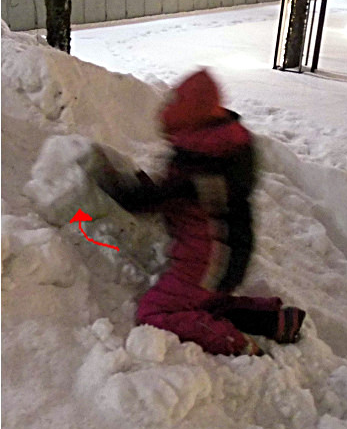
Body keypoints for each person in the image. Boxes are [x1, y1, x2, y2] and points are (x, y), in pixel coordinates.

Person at [90, 69, 305, 356]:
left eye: (175, 134)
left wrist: (105, 179)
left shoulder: (202, 168)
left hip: (210, 259)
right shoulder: (219, 150)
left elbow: (150, 199)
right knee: (201, 301)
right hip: (221, 254)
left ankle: (239, 346)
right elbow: (175, 194)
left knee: (155, 312)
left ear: (191, 126)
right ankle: (275, 321)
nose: (172, 141)